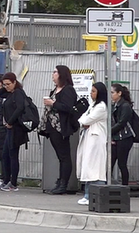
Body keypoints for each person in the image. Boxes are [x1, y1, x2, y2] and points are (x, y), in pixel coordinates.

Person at [43, 65, 78, 195]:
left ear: (62, 74)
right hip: (52, 126)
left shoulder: (68, 90)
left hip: (61, 127)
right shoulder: (55, 89)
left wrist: (53, 103)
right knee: (60, 156)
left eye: (56, 72)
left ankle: (64, 183)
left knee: (64, 156)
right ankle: (60, 181)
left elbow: (68, 107)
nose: (53, 74)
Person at [76, 82, 108, 205]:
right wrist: (83, 122)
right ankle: (88, 194)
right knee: (89, 166)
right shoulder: (93, 105)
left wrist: (84, 122)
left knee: (95, 168)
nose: (91, 93)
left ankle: (91, 195)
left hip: (96, 139)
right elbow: (83, 117)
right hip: (90, 138)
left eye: (94, 91)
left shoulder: (101, 107)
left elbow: (88, 119)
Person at [0, 72, 28, 192]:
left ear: (15, 82)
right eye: (4, 84)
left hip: (16, 128)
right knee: (5, 154)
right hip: (9, 128)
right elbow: (0, 93)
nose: (6, 87)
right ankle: (6, 179)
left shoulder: (18, 93)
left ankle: (13, 182)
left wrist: (10, 121)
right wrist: (3, 88)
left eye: (9, 84)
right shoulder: (9, 93)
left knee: (13, 155)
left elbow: (20, 108)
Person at [111, 83, 135, 187]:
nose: (111, 95)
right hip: (116, 137)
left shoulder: (125, 106)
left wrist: (109, 132)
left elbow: (122, 123)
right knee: (110, 162)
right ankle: (107, 184)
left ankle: (125, 187)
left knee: (122, 163)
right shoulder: (114, 105)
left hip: (124, 138)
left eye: (112, 92)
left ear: (119, 93)